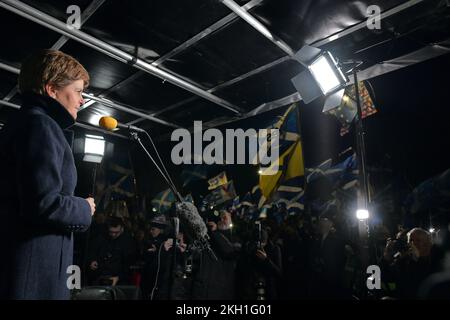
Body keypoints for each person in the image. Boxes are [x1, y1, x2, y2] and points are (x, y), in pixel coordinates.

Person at [0, 49, 96, 299]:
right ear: (52, 89)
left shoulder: (22, 121)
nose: (82, 100)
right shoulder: (41, 125)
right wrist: (85, 207)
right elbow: (42, 204)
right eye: (78, 91)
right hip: (31, 276)